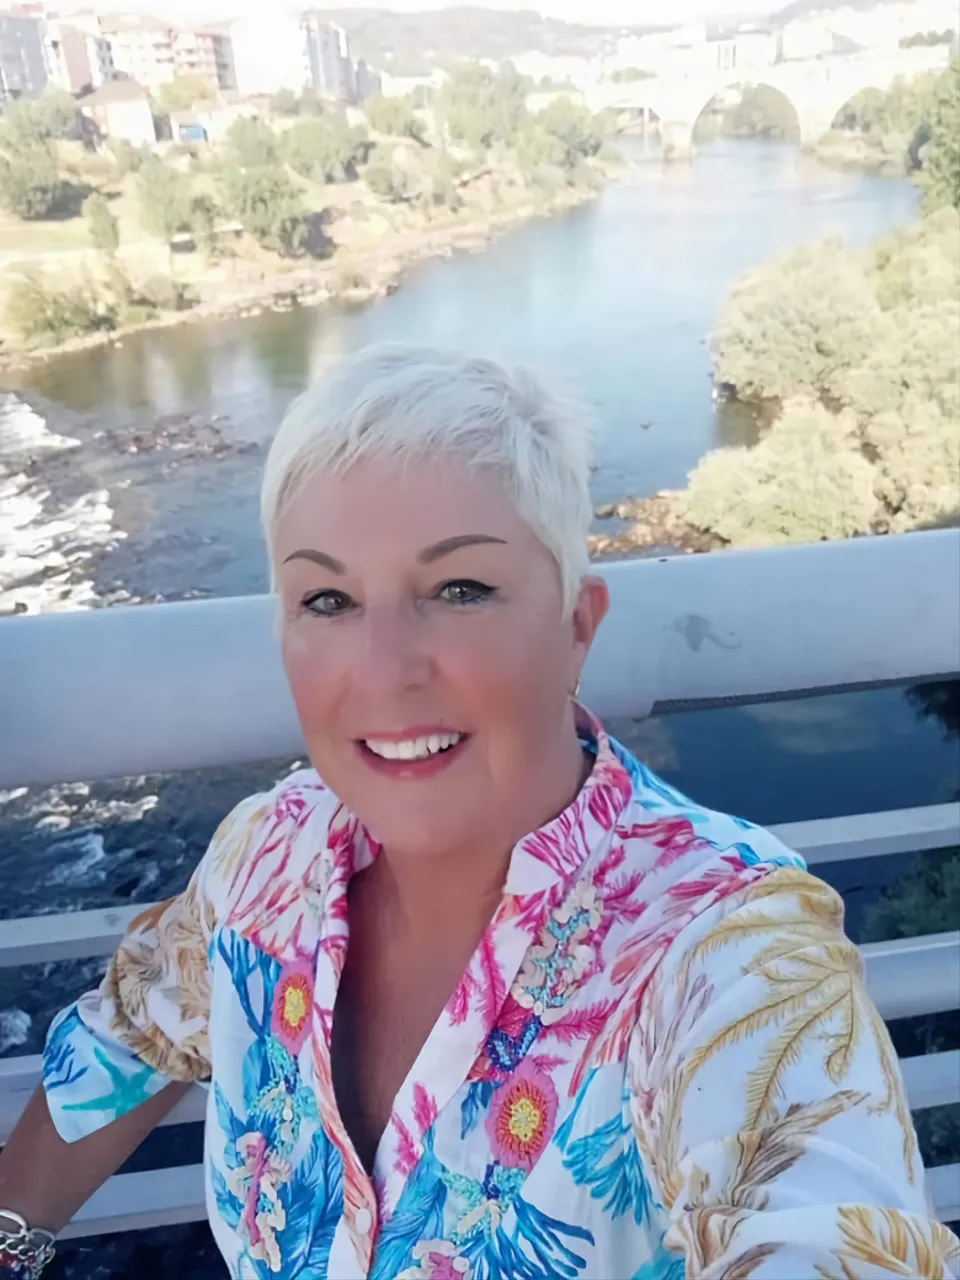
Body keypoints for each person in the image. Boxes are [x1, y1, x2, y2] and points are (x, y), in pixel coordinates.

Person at [0, 346, 956, 1280]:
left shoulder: (728, 956)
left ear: (577, 625)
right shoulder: (270, 855)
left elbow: (828, 1225)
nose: (382, 670)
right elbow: (137, 1025)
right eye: (327, 598)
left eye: (460, 590)